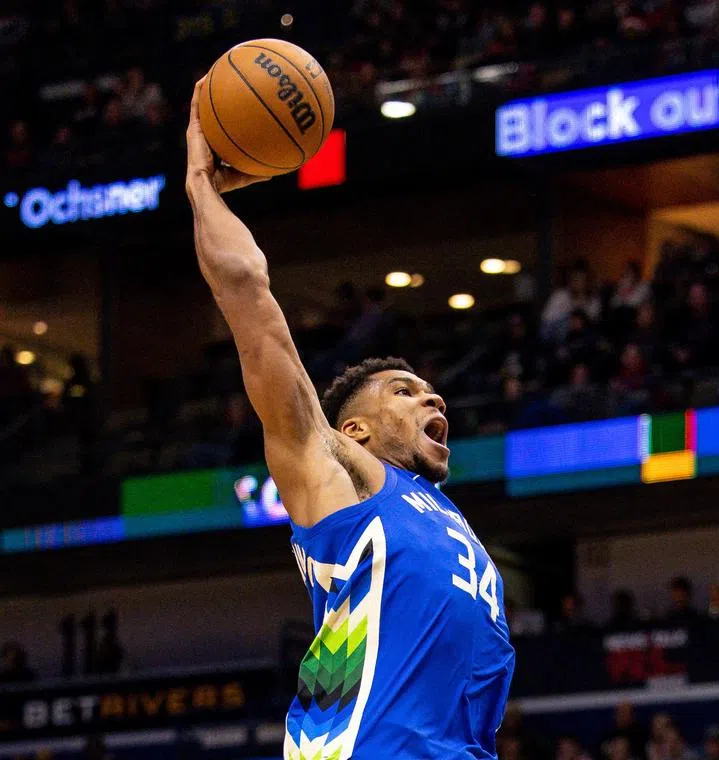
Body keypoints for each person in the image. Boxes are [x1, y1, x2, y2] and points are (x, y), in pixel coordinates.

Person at [185, 80, 514, 759]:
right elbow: (250, 300)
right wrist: (200, 185)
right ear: (354, 431)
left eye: (430, 391)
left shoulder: (440, 512)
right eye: (403, 391)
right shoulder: (340, 473)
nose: (435, 399)